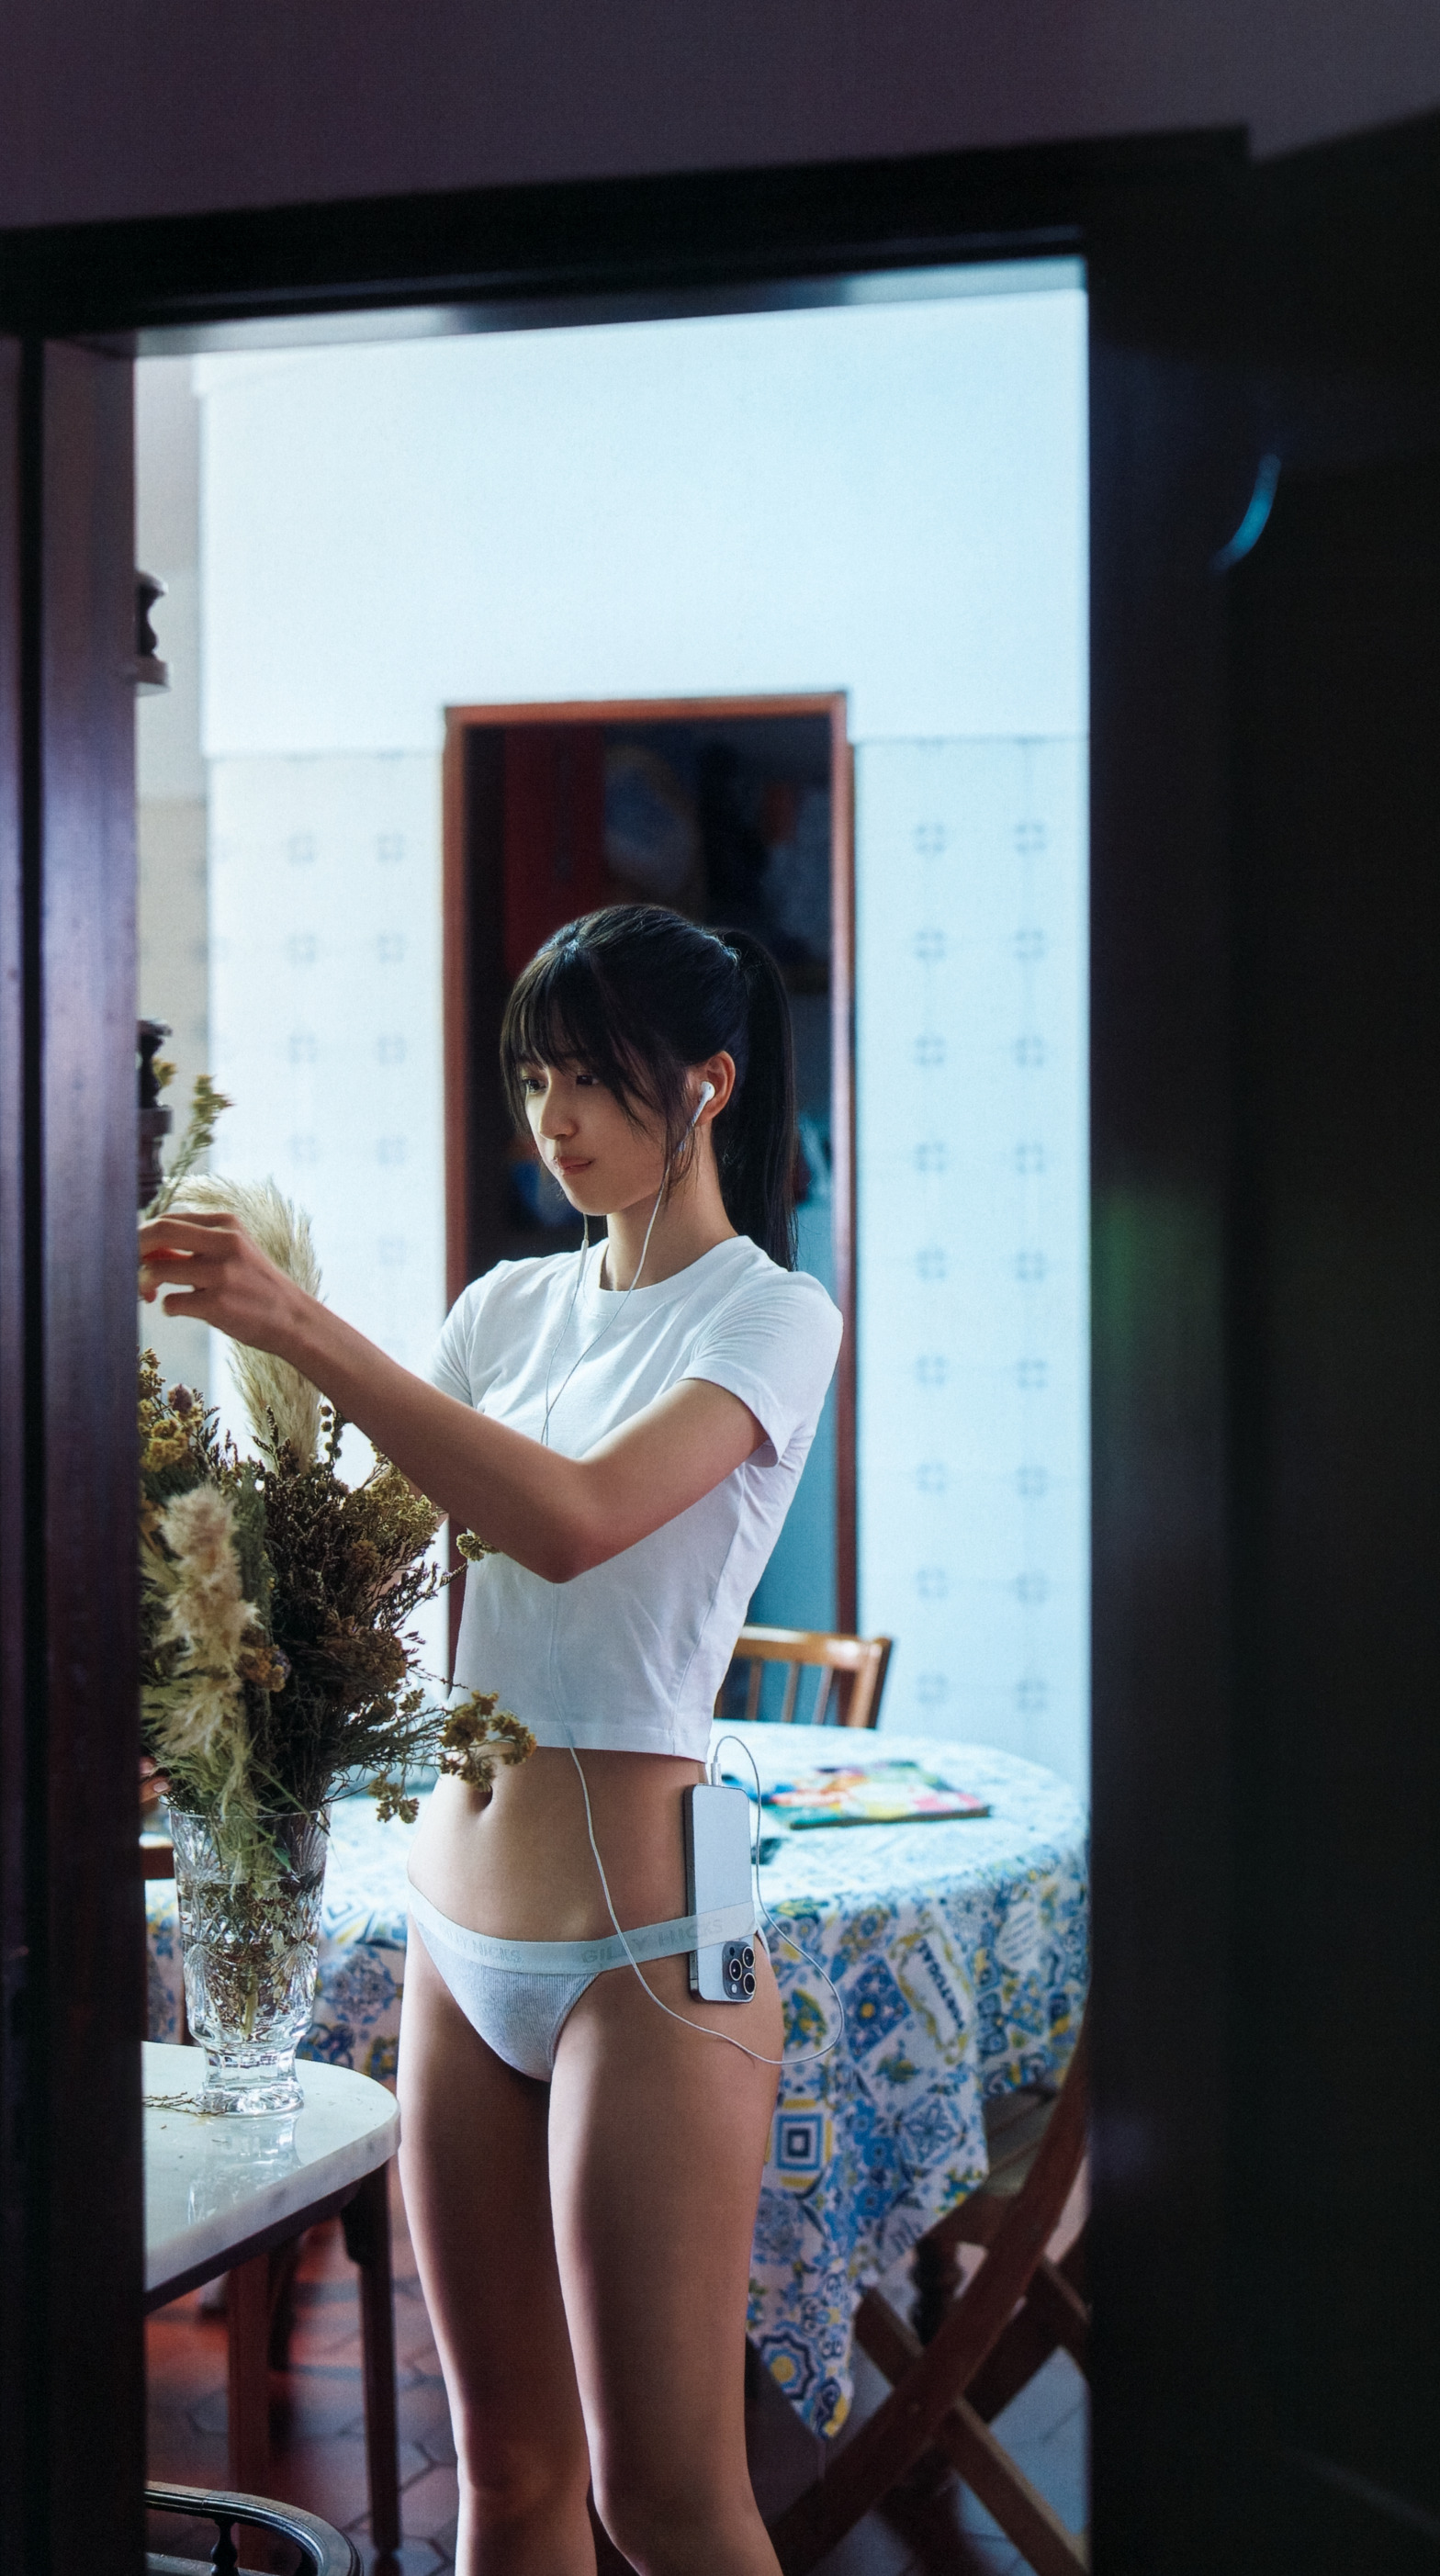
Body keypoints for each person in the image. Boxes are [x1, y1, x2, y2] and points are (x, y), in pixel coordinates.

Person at [139, 905, 843, 2576]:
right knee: (510, 2474)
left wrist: (299, 1324)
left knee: (665, 2502)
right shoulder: (507, 1307)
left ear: (708, 1084)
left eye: (593, 1076)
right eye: (536, 1076)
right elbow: (386, 1552)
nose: (553, 1115)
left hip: (648, 1955)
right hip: (458, 1935)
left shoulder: (770, 1314)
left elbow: (575, 1519)